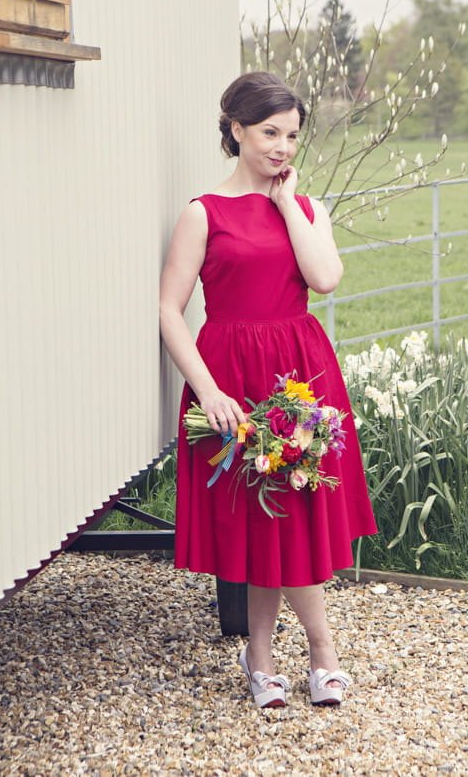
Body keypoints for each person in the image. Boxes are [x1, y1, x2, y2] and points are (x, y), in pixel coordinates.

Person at [159, 71, 377, 708]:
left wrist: (286, 205)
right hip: (232, 380)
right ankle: (285, 655)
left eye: (291, 135)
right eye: (269, 133)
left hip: (300, 380)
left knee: (293, 509)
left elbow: (326, 277)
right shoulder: (203, 213)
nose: (282, 147)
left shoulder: (307, 209)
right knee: (262, 517)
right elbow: (170, 311)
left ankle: (296, 653)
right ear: (236, 130)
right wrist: (207, 393)